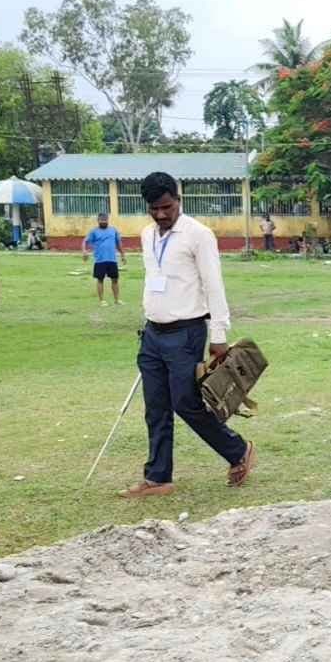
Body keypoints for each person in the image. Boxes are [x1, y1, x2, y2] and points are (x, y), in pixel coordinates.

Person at [121, 172, 256, 499]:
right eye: (154, 209)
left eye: (166, 206)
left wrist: (219, 334)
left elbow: (214, 285)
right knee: (155, 407)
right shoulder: (146, 235)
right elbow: (154, 278)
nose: (161, 214)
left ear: (178, 199)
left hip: (186, 333)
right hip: (153, 333)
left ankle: (238, 450)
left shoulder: (199, 235)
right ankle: (158, 478)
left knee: (186, 402)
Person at [83, 212, 126, 306]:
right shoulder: (94, 231)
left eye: (105, 220)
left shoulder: (113, 230)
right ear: (98, 221)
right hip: (100, 260)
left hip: (112, 260)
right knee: (100, 280)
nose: (103, 222)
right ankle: (102, 300)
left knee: (115, 279)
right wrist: (85, 251)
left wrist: (123, 255)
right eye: (101, 220)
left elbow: (118, 244)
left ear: (108, 220)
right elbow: (85, 241)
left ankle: (117, 300)